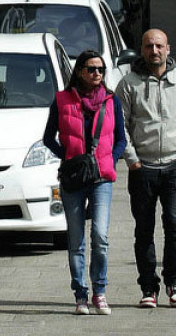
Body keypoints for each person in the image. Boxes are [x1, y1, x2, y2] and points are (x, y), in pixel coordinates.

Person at [115, 29, 176, 309]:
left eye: (158, 46)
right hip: (143, 169)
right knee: (144, 229)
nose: (154, 51)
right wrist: (132, 159)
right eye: (148, 46)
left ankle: (174, 282)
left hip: (175, 167)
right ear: (141, 50)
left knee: (175, 225)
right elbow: (120, 125)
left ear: (168, 49)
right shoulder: (128, 84)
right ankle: (148, 288)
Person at [43, 50, 126, 315]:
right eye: (91, 69)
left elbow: (121, 139)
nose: (97, 73)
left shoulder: (112, 102)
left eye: (100, 69)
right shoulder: (62, 100)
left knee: (100, 236)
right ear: (79, 71)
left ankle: (100, 291)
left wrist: (109, 161)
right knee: (76, 239)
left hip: (102, 177)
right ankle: (81, 294)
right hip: (74, 177)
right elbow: (48, 138)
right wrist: (67, 157)